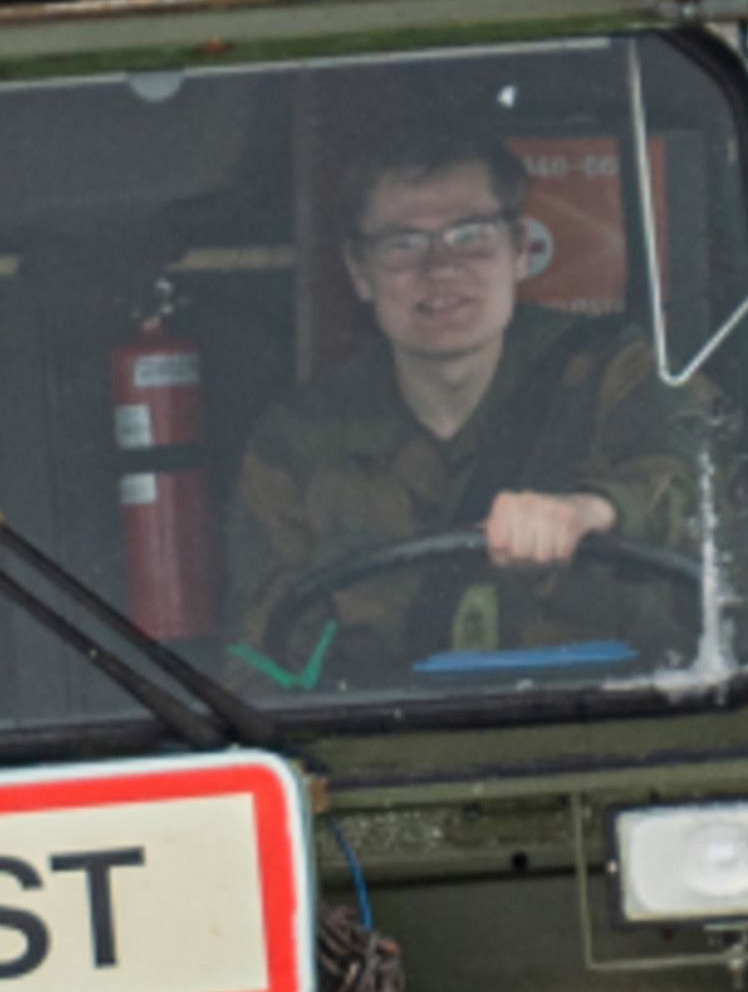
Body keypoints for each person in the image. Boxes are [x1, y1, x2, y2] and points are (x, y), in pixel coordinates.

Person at [219, 122, 709, 688]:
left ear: (519, 251)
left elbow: (701, 492)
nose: (441, 268)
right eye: (403, 244)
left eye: (470, 236)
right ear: (360, 271)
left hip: (616, 724)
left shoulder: (617, 376)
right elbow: (263, 663)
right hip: (395, 738)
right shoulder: (299, 440)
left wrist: (588, 511)